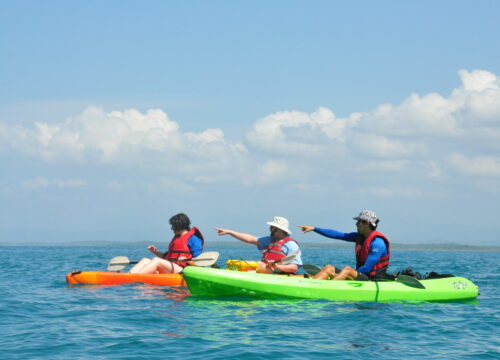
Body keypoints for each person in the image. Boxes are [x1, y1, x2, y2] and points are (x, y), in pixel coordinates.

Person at [299, 210, 390, 281]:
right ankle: (312, 285)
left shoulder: (378, 243)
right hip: (360, 275)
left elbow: (367, 268)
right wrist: (314, 229)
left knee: (347, 270)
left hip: (372, 279)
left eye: (359, 222)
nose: (356, 224)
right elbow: (337, 235)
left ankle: (328, 288)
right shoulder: (359, 237)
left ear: (366, 223)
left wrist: (343, 274)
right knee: (329, 268)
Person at [215, 216, 302, 274]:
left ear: (278, 229)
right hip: (266, 270)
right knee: (244, 264)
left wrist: (277, 266)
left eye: (272, 226)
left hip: (280, 273)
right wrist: (230, 232)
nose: (270, 228)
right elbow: (249, 238)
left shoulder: (291, 245)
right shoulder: (269, 240)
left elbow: (294, 268)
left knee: (259, 265)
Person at [129, 213, 204, 274]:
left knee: (157, 260)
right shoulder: (177, 238)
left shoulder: (193, 239)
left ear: (178, 226)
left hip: (183, 270)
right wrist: (155, 252)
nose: (172, 229)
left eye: (173, 226)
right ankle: (129, 276)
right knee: (145, 260)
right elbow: (167, 258)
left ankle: (135, 279)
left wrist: (187, 260)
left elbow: (199, 263)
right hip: (172, 267)